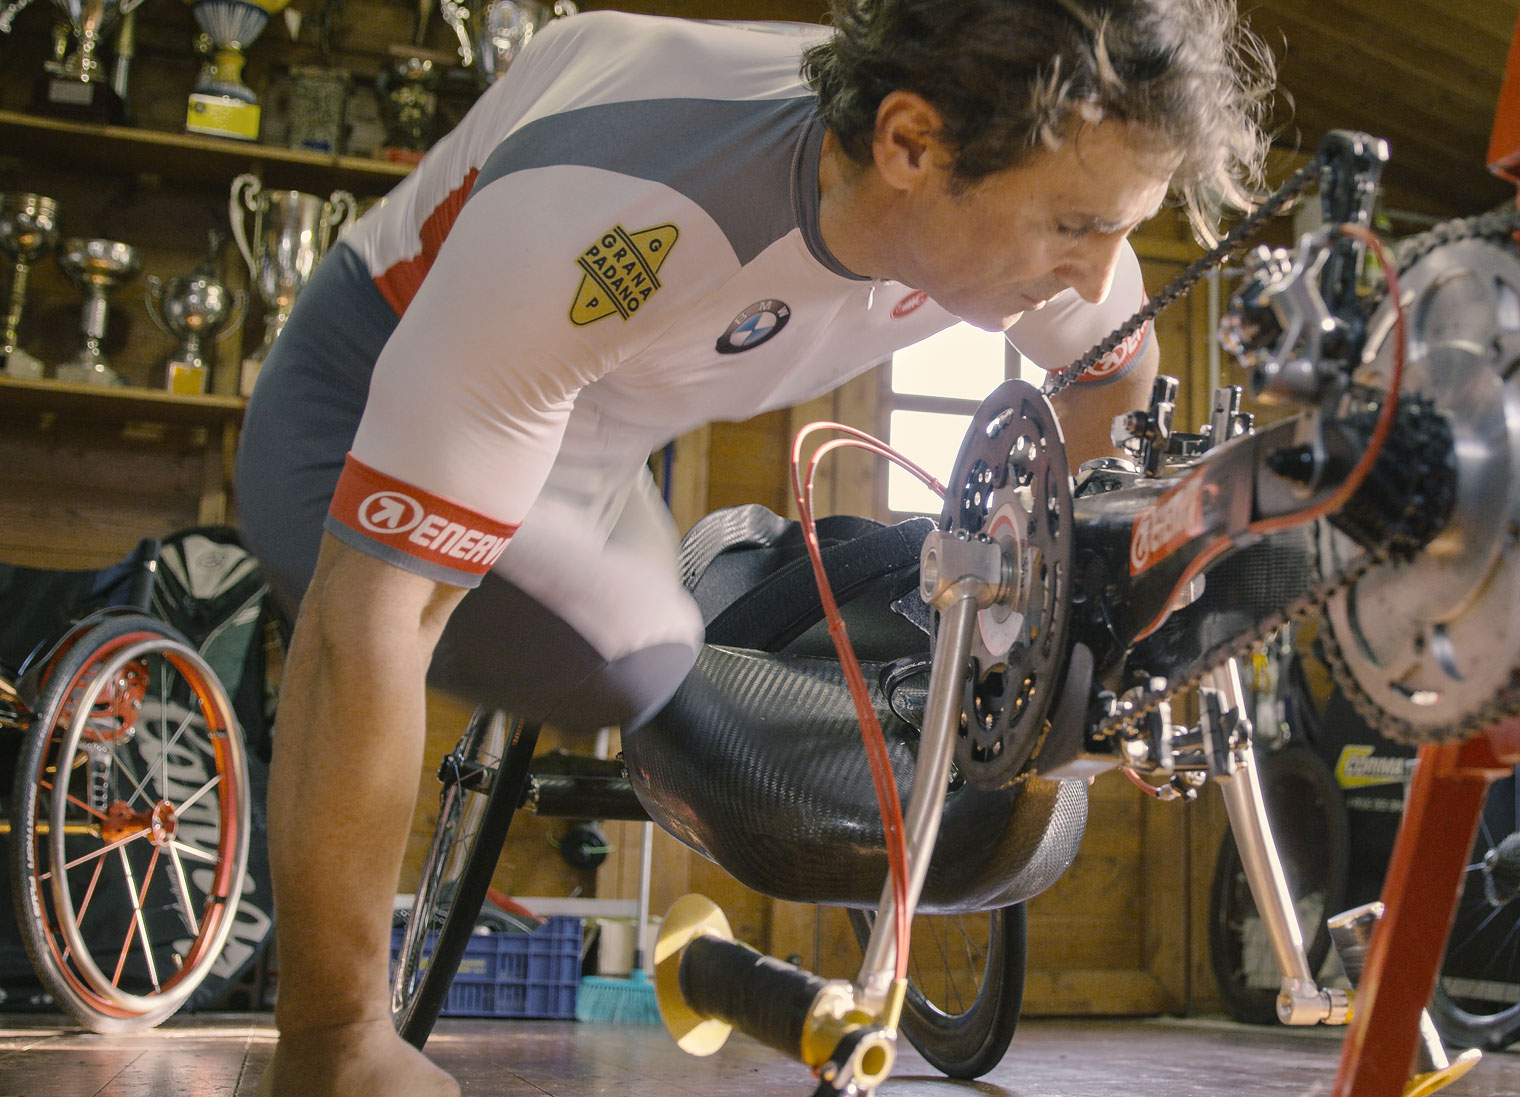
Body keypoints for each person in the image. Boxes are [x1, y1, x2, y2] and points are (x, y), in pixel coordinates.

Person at [234, 1, 1272, 1093]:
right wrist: (336, 1039)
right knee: (583, 644)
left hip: (595, 418)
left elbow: (1114, 374)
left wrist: (1074, 624)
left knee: (653, 654)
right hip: (368, 376)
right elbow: (372, 616)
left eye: (1122, 228)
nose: (1101, 272)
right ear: (909, 145)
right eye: (1075, 227)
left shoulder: (1023, 192)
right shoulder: (609, 204)